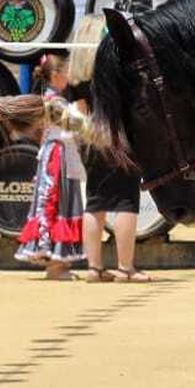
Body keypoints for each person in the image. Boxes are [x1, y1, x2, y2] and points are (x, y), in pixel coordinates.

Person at [66, 15, 152, 282]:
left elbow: (80, 111)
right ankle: (125, 268)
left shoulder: (76, 74)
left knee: (95, 201)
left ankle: (93, 268)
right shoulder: (115, 69)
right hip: (120, 136)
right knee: (126, 200)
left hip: (90, 137)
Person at [14, 53, 86, 279]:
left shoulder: (55, 99)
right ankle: (55, 265)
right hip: (57, 156)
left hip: (61, 154)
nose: (68, 77)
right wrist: (82, 108)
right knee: (58, 204)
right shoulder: (53, 101)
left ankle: (58, 262)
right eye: (65, 73)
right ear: (55, 75)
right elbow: (77, 126)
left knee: (63, 204)